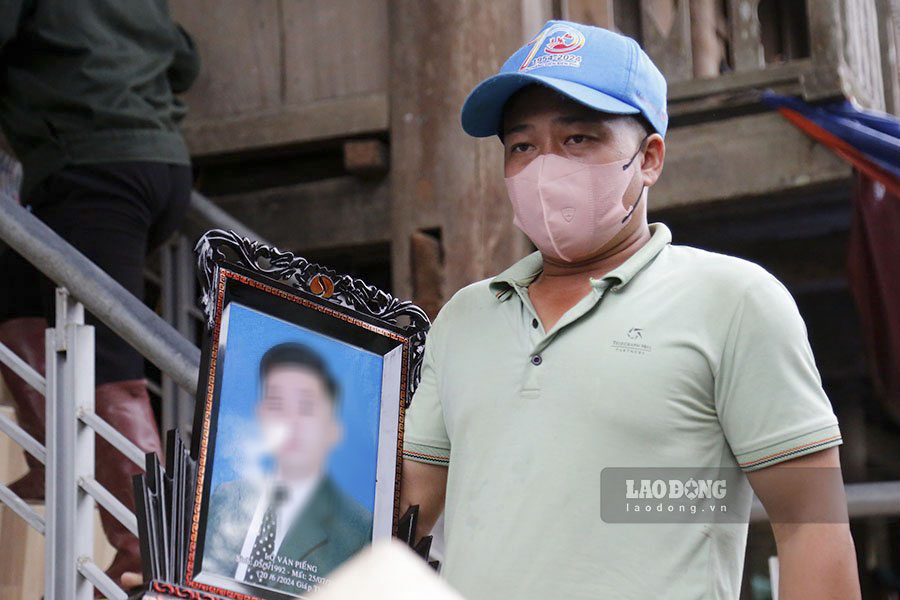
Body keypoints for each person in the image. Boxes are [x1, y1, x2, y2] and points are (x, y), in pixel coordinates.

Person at [399, 20, 861, 600]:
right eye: (522, 146)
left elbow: (811, 527)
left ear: (649, 158)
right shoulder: (464, 318)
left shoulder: (734, 300)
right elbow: (401, 511)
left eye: (578, 139)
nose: (544, 167)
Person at [0, 0, 199, 584]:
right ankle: (54, 452)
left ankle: (153, 545)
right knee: (13, 281)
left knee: (110, 353)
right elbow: (184, 58)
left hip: (92, 167)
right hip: (159, 166)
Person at [202, 343, 372, 595]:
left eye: (306, 407)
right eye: (277, 404)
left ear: (333, 428)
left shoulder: (357, 529)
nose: (290, 421)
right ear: (261, 415)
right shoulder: (224, 497)